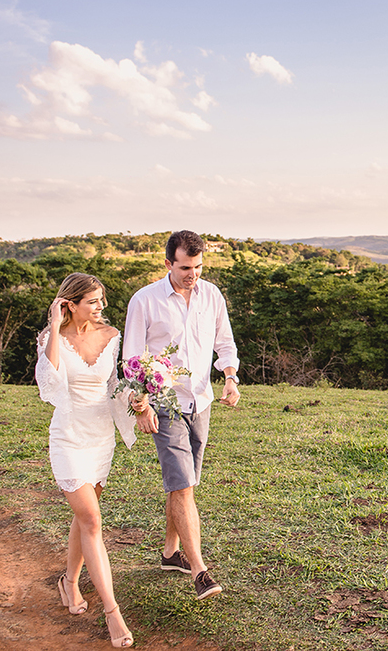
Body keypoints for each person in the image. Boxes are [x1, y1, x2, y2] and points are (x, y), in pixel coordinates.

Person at [123, 230, 241, 600]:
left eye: (199, 266)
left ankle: (170, 553)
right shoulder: (144, 301)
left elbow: (224, 340)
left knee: (186, 482)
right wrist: (139, 404)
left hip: (201, 401)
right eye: (186, 267)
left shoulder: (211, 295)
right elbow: (132, 358)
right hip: (164, 403)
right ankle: (199, 570)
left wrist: (231, 378)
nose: (193, 274)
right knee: (182, 485)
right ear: (168, 264)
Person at [36, 272, 137, 648]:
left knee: (85, 516)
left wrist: (136, 402)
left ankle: (70, 581)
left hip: (100, 437)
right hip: (68, 435)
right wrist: (52, 327)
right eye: (93, 301)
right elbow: (48, 384)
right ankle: (113, 612)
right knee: (92, 519)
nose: (100, 307)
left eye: (101, 300)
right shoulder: (52, 339)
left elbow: (114, 386)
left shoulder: (111, 337)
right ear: (70, 303)